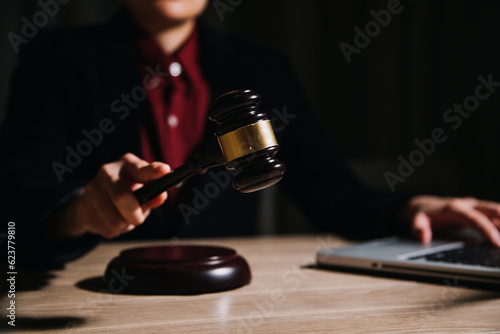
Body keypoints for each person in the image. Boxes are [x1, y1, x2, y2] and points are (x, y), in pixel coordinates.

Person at [1, 0, 499, 269]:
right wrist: (78, 212)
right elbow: (14, 217)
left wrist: (409, 208)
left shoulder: (263, 69)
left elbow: (333, 194)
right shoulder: (55, 59)